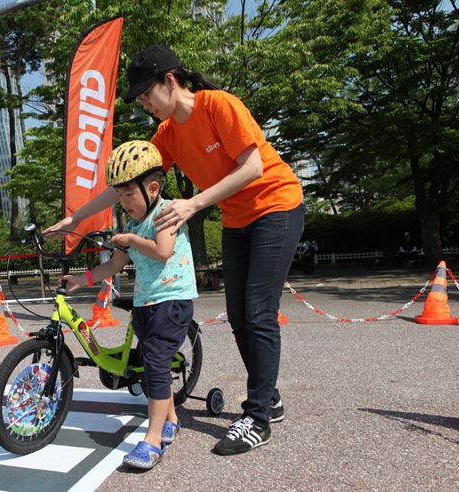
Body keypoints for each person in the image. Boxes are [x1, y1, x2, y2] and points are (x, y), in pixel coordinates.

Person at [45, 44, 304, 456]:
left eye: (147, 93)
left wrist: (195, 203)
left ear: (170, 80)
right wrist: (75, 219)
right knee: (238, 314)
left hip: (277, 206)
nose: (145, 103)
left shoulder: (219, 105)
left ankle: (257, 416)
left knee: (257, 310)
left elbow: (253, 167)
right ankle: (267, 394)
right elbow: (125, 185)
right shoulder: (166, 134)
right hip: (237, 218)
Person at [61, 140, 198, 470]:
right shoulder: (134, 224)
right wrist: (84, 279)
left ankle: (152, 441)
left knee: (154, 366)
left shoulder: (167, 213)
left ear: (152, 188)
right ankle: (171, 418)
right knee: (151, 362)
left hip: (172, 301)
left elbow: (162, 251)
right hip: (146, 303)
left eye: (128, 195)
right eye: (119, 196)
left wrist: (131, 240)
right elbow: (115, 265)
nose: (123, 203)